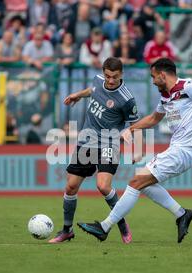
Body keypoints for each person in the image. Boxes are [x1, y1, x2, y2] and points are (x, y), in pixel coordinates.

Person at [77, 58, 192, 243]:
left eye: (153, 77)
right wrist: (131, 129)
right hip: (178, 150)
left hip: (184, 150)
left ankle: (104, 227)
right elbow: (153, 119)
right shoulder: (165, 96)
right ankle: (181, 214)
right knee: (145, 184)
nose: (152, 81)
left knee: (135, 182)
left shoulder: (189, 87)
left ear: (162, 75)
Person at [49, 57, 141, 244]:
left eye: (115, 77)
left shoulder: (127, 99)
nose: (111, 80)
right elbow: (92, 91)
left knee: (103, 186)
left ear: (121, 74)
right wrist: (77, 95)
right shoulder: (98, 80)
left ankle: (121, 224)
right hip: (87, 140)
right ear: (103, 73)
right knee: (71, 186)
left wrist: (137, 149)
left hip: (109, 143)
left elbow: (136, 125)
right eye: (108, 76)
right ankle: (67, 230)